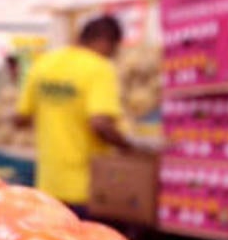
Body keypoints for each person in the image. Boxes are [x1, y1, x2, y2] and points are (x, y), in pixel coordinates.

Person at [15, 15, 145, 215]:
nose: (113, 54)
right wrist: (129, 147)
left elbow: (21, 119)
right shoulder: (98, 68)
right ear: (105, 41)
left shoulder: (43, 64)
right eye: (114, 47)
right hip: (86, 187)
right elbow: (99, 123)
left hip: (48, 184)